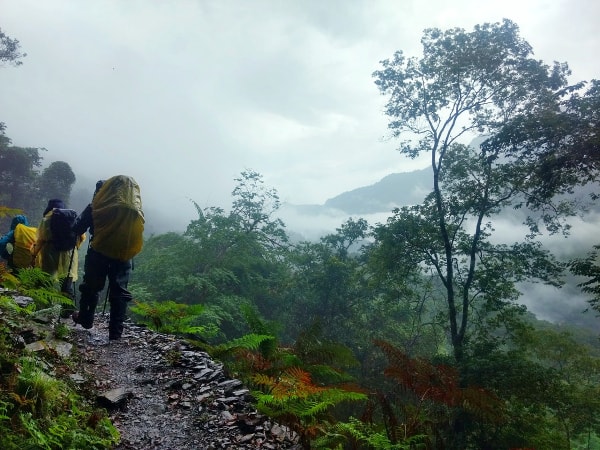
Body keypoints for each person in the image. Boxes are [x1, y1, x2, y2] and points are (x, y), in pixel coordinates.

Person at [71, 177, 144, 340]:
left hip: (99, 252)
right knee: (119, 291)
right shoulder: (132, 210)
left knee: (91, 286)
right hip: (124, 255)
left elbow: (77, 227)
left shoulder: (97, 206)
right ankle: (115, 333)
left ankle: (86, 318)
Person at [31, 199, 85, 299]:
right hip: (68, 254)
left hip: (50, 251)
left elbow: (41, 239)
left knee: (46, 281)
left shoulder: (47, 219)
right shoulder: (71, 217)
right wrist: (74, 246)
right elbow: (81, 237)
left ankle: (44, 309)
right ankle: (67, 311)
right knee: (66, 284)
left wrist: (33, 253)